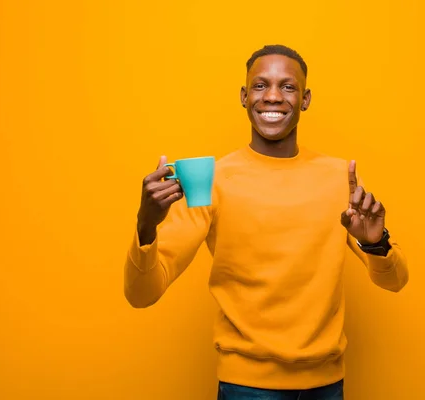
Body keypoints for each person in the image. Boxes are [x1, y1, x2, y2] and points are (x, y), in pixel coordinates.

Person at [124, 44, 409, 400]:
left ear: (305, 100)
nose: (273, 96)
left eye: (287, 87)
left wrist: (376, 243)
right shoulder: (211, 181)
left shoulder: (340, 177)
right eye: (260, 86)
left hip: (328, 385)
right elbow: (142, 293)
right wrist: (146, 224)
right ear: (244, 96)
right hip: (247, 388)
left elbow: (396, 281)